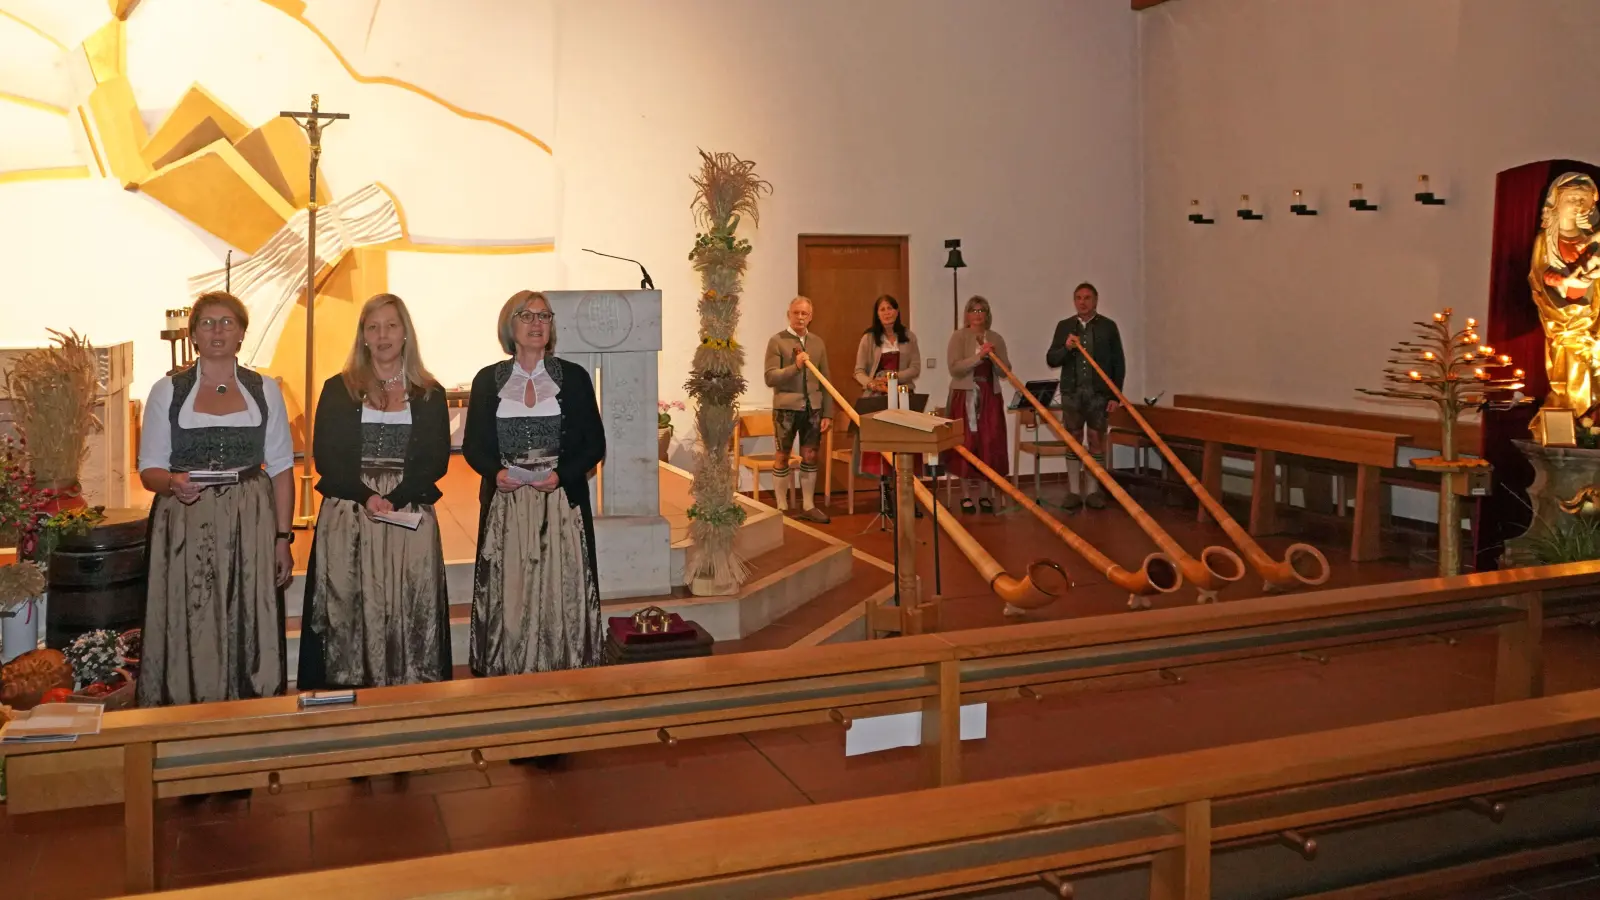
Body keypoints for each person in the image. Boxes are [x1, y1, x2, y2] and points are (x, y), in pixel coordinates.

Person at [136, 291, 294, 706]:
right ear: (193, 335)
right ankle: (188, 705)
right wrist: (173, 484)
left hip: (251, 520)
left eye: (227, 322)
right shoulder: (167, 391)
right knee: (193, 615)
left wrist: (283, 538)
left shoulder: (265, 389)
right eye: (207, 323)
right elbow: (149, 470)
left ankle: (251, 708)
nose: (218, 330)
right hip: (186, 522)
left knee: (248, 613)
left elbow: (280, 468)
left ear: (242, 333)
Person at [297, 293, 452, 690]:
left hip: (407, 516)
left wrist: (394, 498)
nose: (382, 335)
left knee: (408, 606)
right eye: (373, 327)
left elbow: (435, 461)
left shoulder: (430, 393)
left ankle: (410, 694)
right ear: (363, 335)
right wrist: (367, 496)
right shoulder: (338, 389)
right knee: (347, 606)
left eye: (391, 326)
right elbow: (326, 457)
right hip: (350, 512)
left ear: (405, 334)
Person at [463, 290, 606, 680]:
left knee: (560, 590)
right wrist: (496, 473)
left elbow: (595, 444)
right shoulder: (487, 380)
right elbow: (472, 445)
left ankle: (565, 661)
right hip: (507, 506)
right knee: (511, 590)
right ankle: (507, 663)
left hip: (559, 503)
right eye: (526, 316)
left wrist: (562, 476)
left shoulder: (573, 378)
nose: (537, 324)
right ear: (510, 325)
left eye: (544, 316)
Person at [1046, 282, 1126, 510]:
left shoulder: (1108, 327)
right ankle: (1073, 491)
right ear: (1074, 301)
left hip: (1098, 394)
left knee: (1095, 440)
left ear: (1096, 301)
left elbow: (1118, 363)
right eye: (1079, 298)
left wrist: (1115, 395)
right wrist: (1066, 348)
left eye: (1087, 298)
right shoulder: (1064, 327)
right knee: (1073, 440)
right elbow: (1052, 359)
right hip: (1072, 393)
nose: (1083, 302)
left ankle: (1092, 491)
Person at [1529, 172, 1600, 413]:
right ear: (1556, 203)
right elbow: (1541, 274)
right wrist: (1565, 282)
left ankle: (1589, 423)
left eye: (1584, 198)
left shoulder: (1591, 241)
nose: (1578, 204)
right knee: (1570, 369)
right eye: (1571, 198)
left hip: (1593, 319)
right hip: (1565, 321)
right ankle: (1573, 417)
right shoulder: (1547, 240)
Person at [763, 296, 834, 523]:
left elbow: (825, 381)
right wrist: (796, 367)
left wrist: (827, 413)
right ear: (789, 314)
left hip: (813, 409)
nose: (800, 317)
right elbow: (770, 377)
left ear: (811, 317)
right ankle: (782, 508)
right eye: (796, 313)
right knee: (782, 456)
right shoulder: (777, 341)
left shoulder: (818, 343)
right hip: (786, 408)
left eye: (804, 314)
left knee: (810, 456)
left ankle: (809, 505)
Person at [942, 296, 1011, 513]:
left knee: (988, 443)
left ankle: (984, 495)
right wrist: (979, 357)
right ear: (967, 314)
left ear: (987, 314)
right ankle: (965, 496)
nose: (978, 314)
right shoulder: (959, 336)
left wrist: (994, 357)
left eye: (982, 310)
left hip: (990, 396)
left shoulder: (996, 338)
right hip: (965, 396)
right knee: (966, 444)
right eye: (973, 310)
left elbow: (1005, 371)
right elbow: (954, 368)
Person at [852, 294, 921, 480]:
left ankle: (905, 492)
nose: (887, 313)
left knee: (904, 447)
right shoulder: (869, 338)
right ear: (877, 314)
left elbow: (915, 368)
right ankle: (885, 494)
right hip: (877, 398)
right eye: (882, 309)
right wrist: (872, 383)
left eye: (890, 308)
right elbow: (858, 371)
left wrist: (893, 378)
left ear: (897, 311)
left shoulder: (908, 336)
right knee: (881, 451)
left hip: (903, 395)